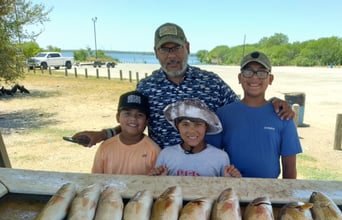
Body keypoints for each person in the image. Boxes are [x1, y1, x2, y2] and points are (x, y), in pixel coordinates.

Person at [72, 23, 294, 149]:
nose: (172, 56)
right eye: (165, 50)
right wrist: (103, 134)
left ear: (187, 47)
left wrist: (273, 103)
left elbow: (243, 107)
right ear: (156, 53)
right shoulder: (146, 87)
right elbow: (134, 123)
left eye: (176, 48)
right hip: (162, 167)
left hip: (207, 167)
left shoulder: (211, 82)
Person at [207, 51, 302, 179]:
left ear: (270, 79)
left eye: (262, 72)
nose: (254, 78)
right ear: (240, 78)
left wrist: (288, 197)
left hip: (269, 191)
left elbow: (289, 167)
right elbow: (211, 158)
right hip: (231, 187)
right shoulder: (223, 114)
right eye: (248, 72)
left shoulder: (283, 116)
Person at [151, 99, 240, 177]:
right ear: (178, 127)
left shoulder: (220, 157)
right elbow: (159, 187)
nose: (192, 131)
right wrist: (157, 178)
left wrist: (230, 180)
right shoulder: (166, 155)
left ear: (207, 127)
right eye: (185, 124)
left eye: (198, 124)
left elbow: (225, 190)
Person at [91, 91, 161, 175]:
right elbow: (96, 178)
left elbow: (157, 181)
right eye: (127, 114)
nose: (133, 118)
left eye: (139, 115)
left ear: (147, 121)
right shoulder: (105, 147)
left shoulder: (153, 150)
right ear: (118, 118)